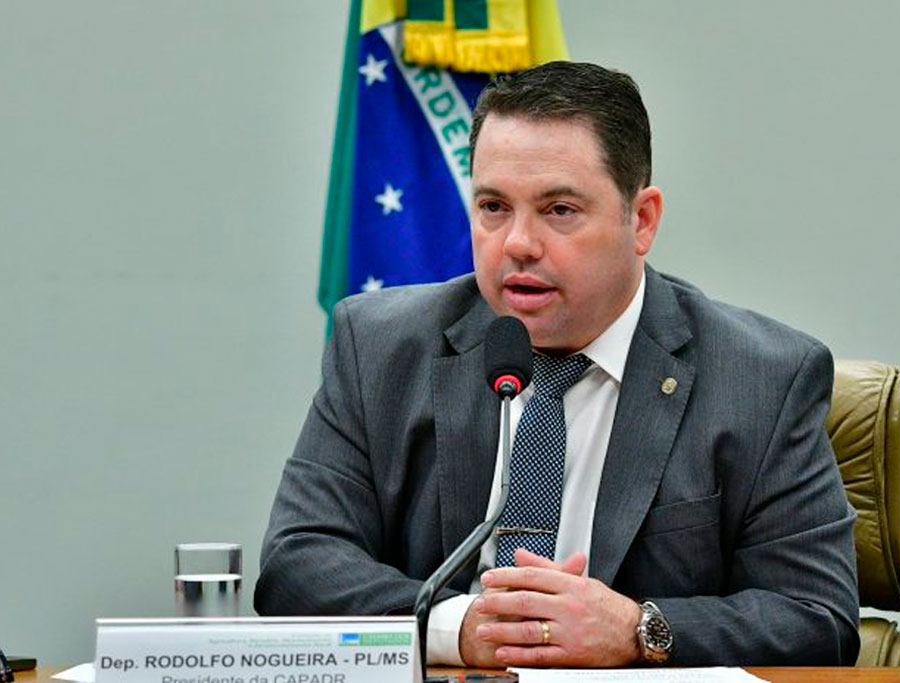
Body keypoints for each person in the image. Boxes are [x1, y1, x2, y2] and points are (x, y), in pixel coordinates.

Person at [256, 61, 859, 667]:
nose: (518, 242)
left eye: (559, 210)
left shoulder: (762, 377)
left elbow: (817, 620)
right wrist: (458, 626)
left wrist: (636, 629)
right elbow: (297, 562)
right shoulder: (380, 348)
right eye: (493, 206)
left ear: (641, 220)